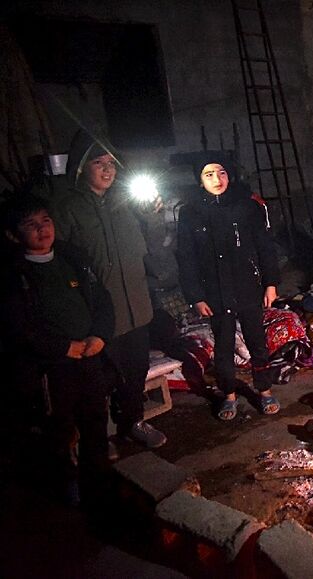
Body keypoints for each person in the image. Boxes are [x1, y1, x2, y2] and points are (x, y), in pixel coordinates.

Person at [53, 130, 167, 449]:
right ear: (80, 167)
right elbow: (60, 261)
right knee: (100, 379)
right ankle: (99, 436)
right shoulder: (68, 208)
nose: (107, 170)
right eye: (98, 162)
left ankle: (132, 421)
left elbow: (154, 246)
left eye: (112, 163)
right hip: (100, 313)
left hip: (137, 305)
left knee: (136, 370)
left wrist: (154, 218)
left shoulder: (126, 202)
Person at [1, 195, 115, 506]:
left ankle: (100, 475)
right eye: (31, 225)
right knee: (60, 425)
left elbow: (102, 300)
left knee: (96, 417)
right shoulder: (14, 275)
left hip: (89, 355)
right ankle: (68, 481)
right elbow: (18, 326)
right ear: (13, 235)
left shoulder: (72, 259)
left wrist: (100, 336)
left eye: (45, 221)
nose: (42, 229)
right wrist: (63, 347)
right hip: (52, 366)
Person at [176, 152, 281, 420]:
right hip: (215, 291)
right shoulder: (191, 213)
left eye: (221, 172)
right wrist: (196, 296)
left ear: (229, 175)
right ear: (200, 181)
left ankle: (264, 390)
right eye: (209, 174)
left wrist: (270, 282)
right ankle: (229, 395)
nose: (217, 179)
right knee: (223, 345)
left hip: (248, 285)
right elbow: (185, 257)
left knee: (257, 340)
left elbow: (265, 247)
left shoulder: (247, 206)